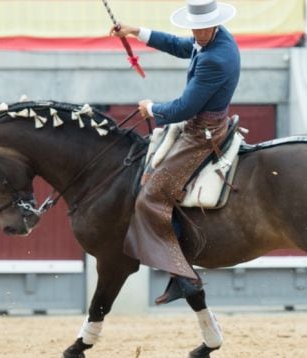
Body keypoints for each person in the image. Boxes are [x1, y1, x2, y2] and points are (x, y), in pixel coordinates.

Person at [109, 0, 239, 306]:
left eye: (200, 28)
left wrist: (151, 109)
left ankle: (182, 274)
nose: (196, 33)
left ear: (213, 24)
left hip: (202, 133)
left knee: (152, 195)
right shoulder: (215, 37)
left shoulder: (214, 60)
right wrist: (135, 31)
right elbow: (180, 45)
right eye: (193, 27)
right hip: (203, 123)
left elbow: (184, 108)